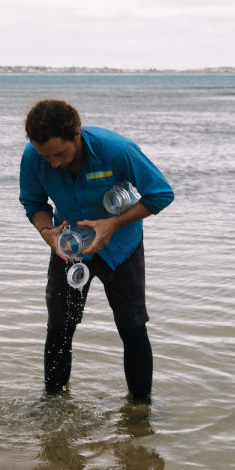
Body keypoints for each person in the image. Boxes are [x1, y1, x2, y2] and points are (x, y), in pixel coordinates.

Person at [19, 99, 174, 403]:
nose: (53, 163)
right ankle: (53, 405)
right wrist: (47, 233)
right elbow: (34, 203)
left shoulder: (117, 150)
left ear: (76, 134)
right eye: (45, 156)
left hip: (121, 247)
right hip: (70, 249)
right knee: (60, 328)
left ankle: (141, 410)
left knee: (132, 326)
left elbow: (161, 194)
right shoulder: (34, 157)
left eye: (60, 154)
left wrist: (114, 224)